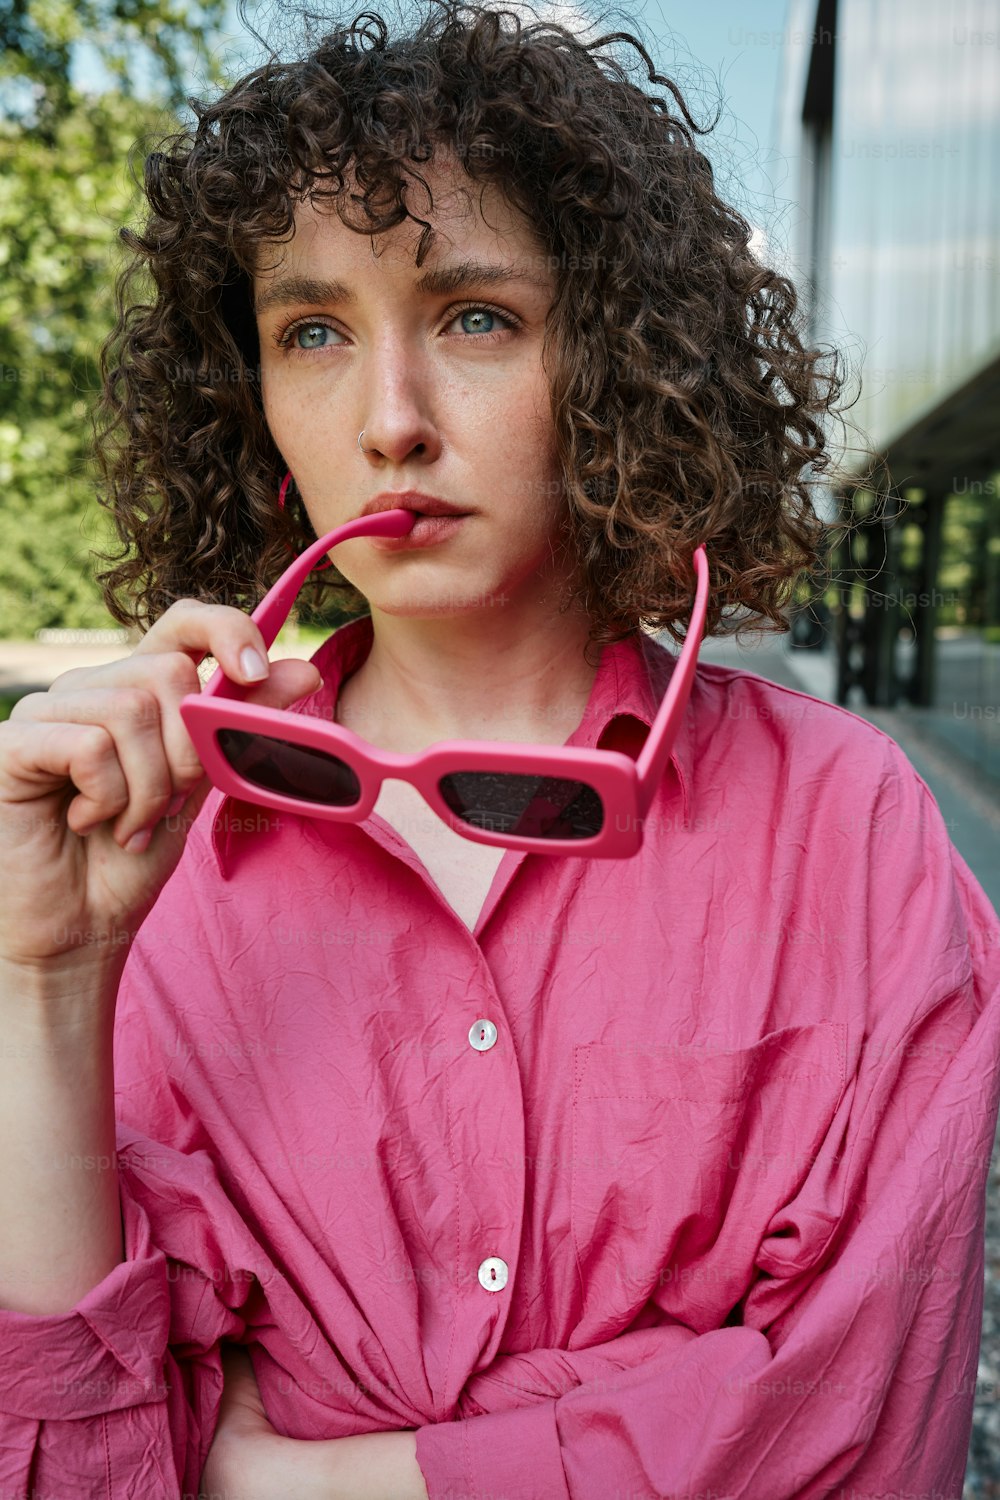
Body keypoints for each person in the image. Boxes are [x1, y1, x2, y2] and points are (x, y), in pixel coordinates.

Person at [1, 3, 998, 1497]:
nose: (390, 421)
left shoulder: (844, 824)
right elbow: (76, 1457)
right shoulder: (161, 848)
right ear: (254, 397)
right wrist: (46, 986)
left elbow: (852, 1425)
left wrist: (289, 1473)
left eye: (476, 316)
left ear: (618, 361)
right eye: (314, 332)